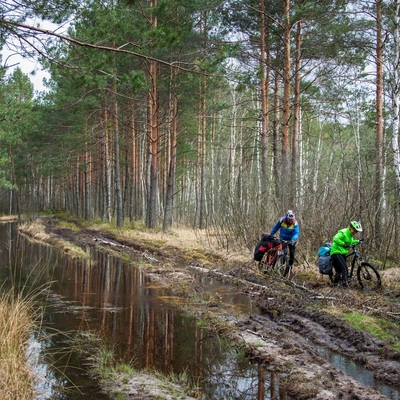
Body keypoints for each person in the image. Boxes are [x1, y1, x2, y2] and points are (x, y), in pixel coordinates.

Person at [330, 221, 364, 287]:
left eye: (357, 231)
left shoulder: (350, 235)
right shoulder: (343, 232)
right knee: (344, 269)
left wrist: (359, 241)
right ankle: (345, 286)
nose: (355, 232)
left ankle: (334, 285)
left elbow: (351, 242)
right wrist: (343, 244)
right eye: (355, 230)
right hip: (336, 252)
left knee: (339, 271)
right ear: (351, 228)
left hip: (342, 253)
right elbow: (335, 239)